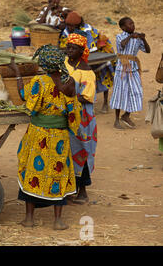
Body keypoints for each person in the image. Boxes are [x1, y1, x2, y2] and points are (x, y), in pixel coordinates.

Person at [9, 44, 81, 230]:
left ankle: (29, 219)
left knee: (33, 171)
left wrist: (17, 72)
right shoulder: (70, 81)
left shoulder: (39, 81)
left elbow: (24, 96)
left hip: (38, 134)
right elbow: (74, 109)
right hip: (60, 137)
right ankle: (57, 221)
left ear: (44, 63)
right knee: (58, 172)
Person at [60, 11, 116, 113]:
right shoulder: (66, 31)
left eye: (71, 26)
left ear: (78, 25)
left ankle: (104, 102)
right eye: (67, 25)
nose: (69, 27)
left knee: (103, 72)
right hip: (78, 55)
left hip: (97, 54)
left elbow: (91, 48)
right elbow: (64, 46)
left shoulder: (87, 30)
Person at [65, 33, 97, 204]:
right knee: (67, 150)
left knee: (81, 151)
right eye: (68, 46)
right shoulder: (65, 64)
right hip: (67, 113)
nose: (69, 50)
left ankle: (83, 190)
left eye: (73, 48)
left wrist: (67, 99)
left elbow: (87, 97)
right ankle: (71, 188)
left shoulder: (87, 72)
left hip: (82, 117)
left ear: (82, 50)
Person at [110, 17, 151, 129]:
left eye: (133, 23)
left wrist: (143, 39)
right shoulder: (120, 37)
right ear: (123, 27)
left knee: (136, 92)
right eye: (130, 24)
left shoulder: (137, 38)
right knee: (120, 93)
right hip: (122, 69)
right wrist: (130, 37)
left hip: (133, 69)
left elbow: (148, 51)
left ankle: (126, 115)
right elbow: (122, 45)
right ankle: (116, 120)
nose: (133, 26)